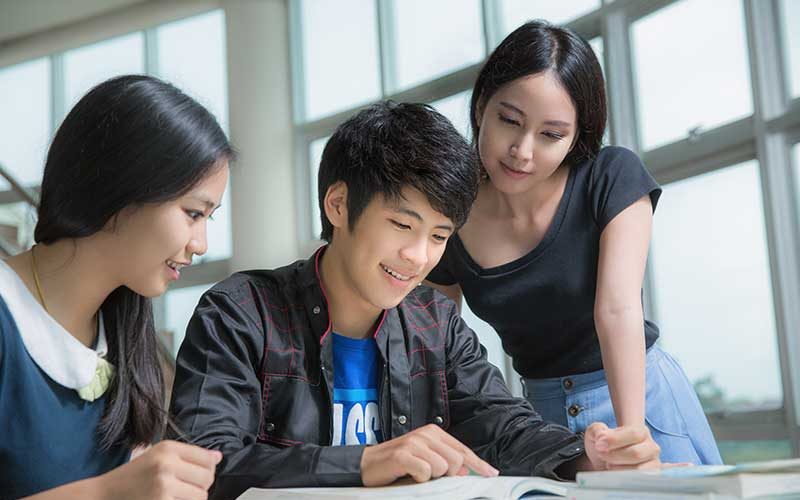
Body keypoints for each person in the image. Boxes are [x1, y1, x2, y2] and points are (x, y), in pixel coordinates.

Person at [168, 101, 661, 500]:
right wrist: (364, 463)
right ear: (338, 204)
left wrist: (586, 458)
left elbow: (501, 425)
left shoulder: (435, 323)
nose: (418, 256)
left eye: (439, 236)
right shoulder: (241, 313)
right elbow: (203, 464)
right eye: (402, 225)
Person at [425, 20, 721, 465]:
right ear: (481, 104)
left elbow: (617, 311)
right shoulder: (450, 211)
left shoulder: (609, 177)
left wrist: (631, 437)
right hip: (540, 426)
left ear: (576, 136)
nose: (522, 150)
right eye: (509, 120)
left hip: (640, 405)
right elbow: (434, 344)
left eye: (551, 135)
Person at [0, 74, 234, 499]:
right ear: (121, 187)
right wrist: (108, 493)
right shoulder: (7, 315)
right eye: (193, 213)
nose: (200, 245)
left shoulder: (123, 330)